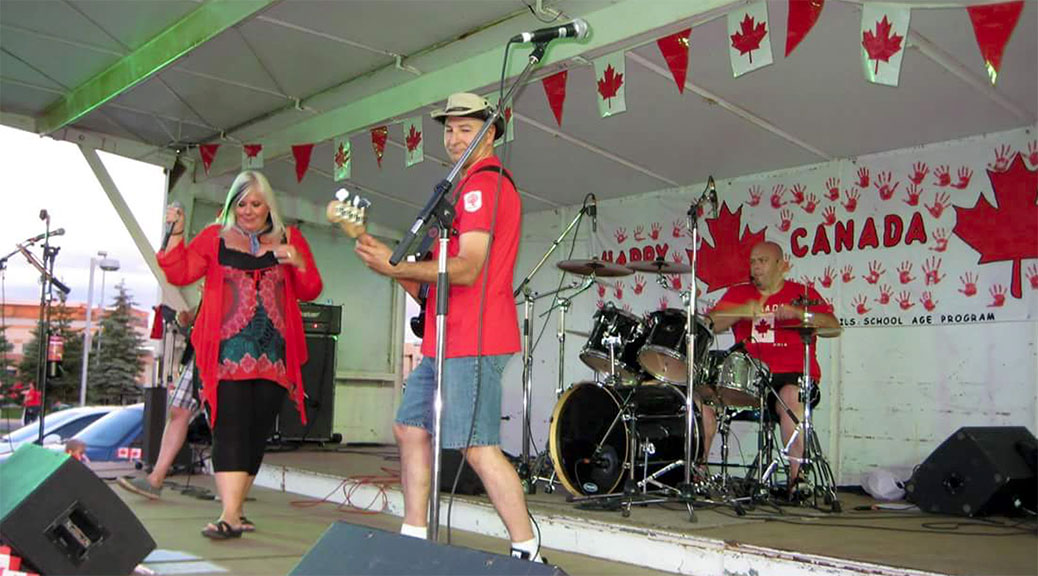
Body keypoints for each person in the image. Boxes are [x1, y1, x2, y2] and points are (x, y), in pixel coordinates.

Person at [354, 93, 541, 561]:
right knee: (409, 427)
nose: (456, 138)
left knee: (477, 448)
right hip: (446, 338)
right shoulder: (461, 189)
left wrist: (396, 269)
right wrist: (391, 267)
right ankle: (414, 537)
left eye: (467, 128)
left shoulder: (484, 184)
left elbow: (469, 268)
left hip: (474, 340)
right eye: (450, 129)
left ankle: (526, 550)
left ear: (491, 132)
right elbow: (435, 289)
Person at [156, 170, 323, 540]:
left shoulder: (291, 239)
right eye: (241, 203)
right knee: (229, 426)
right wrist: (177, 233)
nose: (248, 211)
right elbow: (181, 272)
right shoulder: (215, 239)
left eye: (256, 204)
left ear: (269, 207)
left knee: (255, 433)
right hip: (225, 354)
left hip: (274, 356)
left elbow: (311, 290)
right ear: (232, 205)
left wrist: (297, 261)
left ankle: (236, 511)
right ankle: (230, 515)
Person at [705, 241, 839, 496]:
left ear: (781, 264)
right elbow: (711, 324)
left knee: (790, 398)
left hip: (791, 377)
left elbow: (833, 325)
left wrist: (801, 315)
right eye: (753, 262)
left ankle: (797, 479)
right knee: (703, 402)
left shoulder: (802, 292)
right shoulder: (738, 294)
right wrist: (742, 310)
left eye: (762, 261)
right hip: (748, 378)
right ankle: (698, 473)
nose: (755, 267)